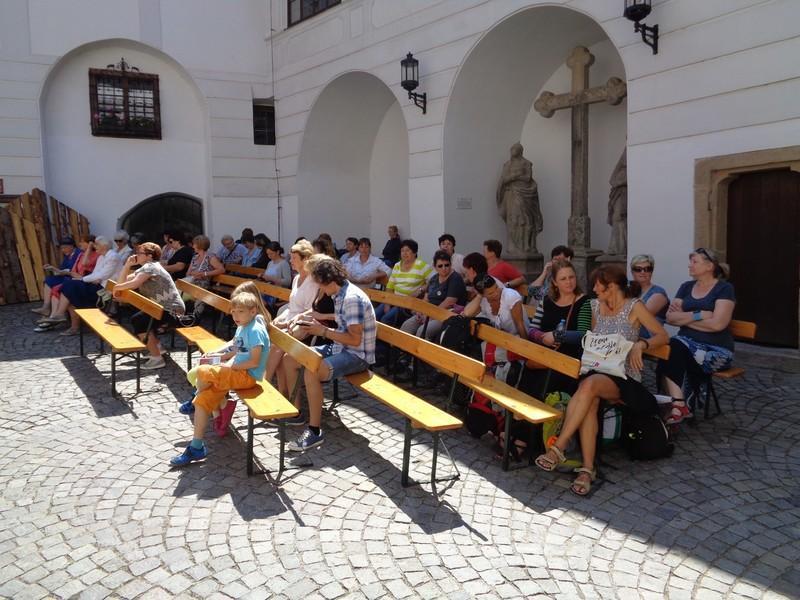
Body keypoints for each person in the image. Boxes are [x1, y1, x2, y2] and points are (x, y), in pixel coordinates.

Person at [534, 264, 668, 497]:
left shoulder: (634, 307)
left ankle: (559, 447)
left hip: (625, 378)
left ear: (612, 286)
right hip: (597, 372)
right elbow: (590, 340)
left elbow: (662, 335)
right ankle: (586, 470)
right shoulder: (595, 307)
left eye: (598, 285)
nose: (594, 289)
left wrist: (641, 344)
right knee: (590, 396)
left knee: (590, 386)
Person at [170, 284, 270, 466]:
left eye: (240, 312)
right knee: (203, 399)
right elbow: (235, 347)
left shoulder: (255, 329)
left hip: (246, 376)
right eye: (233, 312)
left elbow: (254, 361)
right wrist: (218, 357)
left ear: (253, 311)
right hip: (235, 371)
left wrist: (230, 366)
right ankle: (196, 447)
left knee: (202, 371)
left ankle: (199, 398)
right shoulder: (243, 326)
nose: (236, 316)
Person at [282, 259, 376, 452]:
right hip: (341, 347)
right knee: (289, 359)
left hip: (358, 356)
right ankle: (296, 413)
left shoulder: (351, 299)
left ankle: (315, 431)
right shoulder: (339, 293)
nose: (320, 290)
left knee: (312, 371)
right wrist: (314, 325)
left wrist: (321, 331)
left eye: (320, 285)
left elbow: (355, 340)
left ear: (330, 281)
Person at [659, 248, 735, 425]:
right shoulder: (686, 287)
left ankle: (678, 404)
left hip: (715, 351)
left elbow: (718, 325)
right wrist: (700, 315)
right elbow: (670, 318)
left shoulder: (724, 288)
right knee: (670, 348)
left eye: (695, 262)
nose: (689, 265)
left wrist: (683, 320)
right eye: (690, 261)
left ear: (709, 266)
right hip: (686, 345)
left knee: (673, 347)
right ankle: (681, 404)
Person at [113, 242, 186, 369]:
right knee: (140, 319)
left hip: (172, 310)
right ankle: (157, 348)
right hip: (160, 308)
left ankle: (157, 358)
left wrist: (117, 287)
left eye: (139, 253)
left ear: (149, 256)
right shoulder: (145, 268)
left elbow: (134, 284)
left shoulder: (151, 267)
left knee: (139, 321)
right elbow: (123, 282)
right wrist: (127, 265)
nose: (136, 255)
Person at [263, 240, 317, 407]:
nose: (291, 261)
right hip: (291, 322)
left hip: (305, 327)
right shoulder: (296, 279)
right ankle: (282, 394)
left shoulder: (313, 281)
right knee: (272, 339)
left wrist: (290, 321)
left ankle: (264, 387)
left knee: (277, 346)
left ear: (305, 259)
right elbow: (293, 306)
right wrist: (282, 318)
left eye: (294, 258)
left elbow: (311, 311)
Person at [526, 260, 592, 394]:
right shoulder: (546, 301)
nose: (569, 282)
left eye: (571, 277)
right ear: (555, 283)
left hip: (568, 361)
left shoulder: (584, 302)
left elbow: (583, 335)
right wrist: (541, 337)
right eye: (563, 279)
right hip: (543, 357)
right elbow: (532, 329)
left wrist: (557, 336)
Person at [36, 236, 120, 336]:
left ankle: (62, 317)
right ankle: (64, 318)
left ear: (104, 246)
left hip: (103, 291)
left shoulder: (113, 257)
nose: (94, 246)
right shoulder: (102, 256)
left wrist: (82, 279)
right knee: (70, 288)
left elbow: (102, 275)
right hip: (97, 286)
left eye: (96, 244)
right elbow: (96, 273)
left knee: (71, 287)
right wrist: (88, 279)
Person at [401, 250, 465, 341]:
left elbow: (449, 302)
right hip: (428, 313)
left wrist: (430, 315)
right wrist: (420, 311)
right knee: (406, 326)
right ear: (435, 267)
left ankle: (420, 354)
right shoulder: (434, 279)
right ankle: (404, 353)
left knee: (422, 331)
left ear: (450, 265)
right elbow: (426, 299)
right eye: (440, 266)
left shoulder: (455, 279)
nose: (444, 268)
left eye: (447, 265)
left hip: (445, 315)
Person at [377, 239, 432, 325]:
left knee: (385, 319)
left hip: (406, 303)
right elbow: (390, 286)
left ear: (414, 252)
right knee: (374, 315)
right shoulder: (397, 265)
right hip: (393, 299)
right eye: (402, 251)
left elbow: (433, 281)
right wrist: (387, 303)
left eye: (407, 250)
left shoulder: (421, 265)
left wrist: (420, 289)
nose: (404, 253)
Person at [463, 273, 528, 339]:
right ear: (483, 295)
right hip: (499, 337)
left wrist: (526, 346)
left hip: (516, 338)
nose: (496, 293)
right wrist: (479, 296)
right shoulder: (483, 300)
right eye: (491, 293)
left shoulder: (510, 296)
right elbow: (467, 313)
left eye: (496, 287)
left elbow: (520, 325)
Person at [32, 237, 80, 316]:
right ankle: (46, 307)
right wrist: (53, 269)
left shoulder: (78, 254)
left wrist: (56, 270)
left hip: (73, 277)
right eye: (61, 248)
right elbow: (62, 270)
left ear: (72, 246)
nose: (63, 250)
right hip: (65, 276)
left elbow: (73, 271)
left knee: (55, 286)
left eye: (65, 248)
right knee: (49, 280)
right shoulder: (67, 256)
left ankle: (52, 312)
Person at [629, 254, 669, 339]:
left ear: (652, 271)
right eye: (638, 269)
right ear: (632, 271)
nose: (643, 272)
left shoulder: (658, 293)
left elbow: (638, 318)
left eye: (647, 269)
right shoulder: (627, 288)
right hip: (626, 338)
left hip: (647, 342)